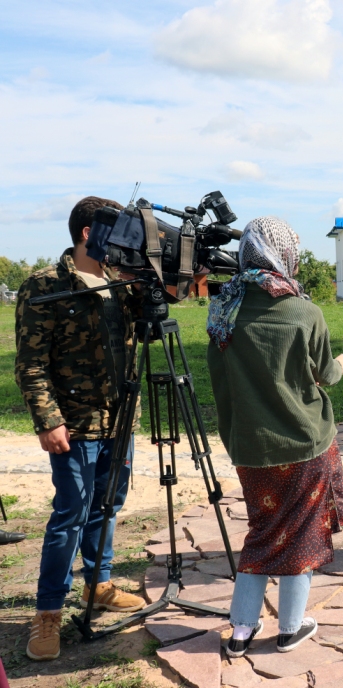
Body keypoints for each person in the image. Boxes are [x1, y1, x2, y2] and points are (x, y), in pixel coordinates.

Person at [206, 217, 343, 657]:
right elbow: (326, 374)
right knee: (302, 533)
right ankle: (291, 627)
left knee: (263, 532)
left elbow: (220, 381)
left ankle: (241, 631)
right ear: (284, 254)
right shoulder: (304, 312)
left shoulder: (222, 314)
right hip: (304, 444)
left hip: (249, 445)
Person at [15, 197, 145, 661]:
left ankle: (99, 584)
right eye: (120, 230)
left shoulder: (121, 285)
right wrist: (48, 420)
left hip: (121, 421)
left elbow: (161, 318)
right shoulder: (46, 285)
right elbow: (30, 364)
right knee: (71, 512)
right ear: (90, 232)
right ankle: (48, 612)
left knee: (110, 505)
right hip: (74, 424)